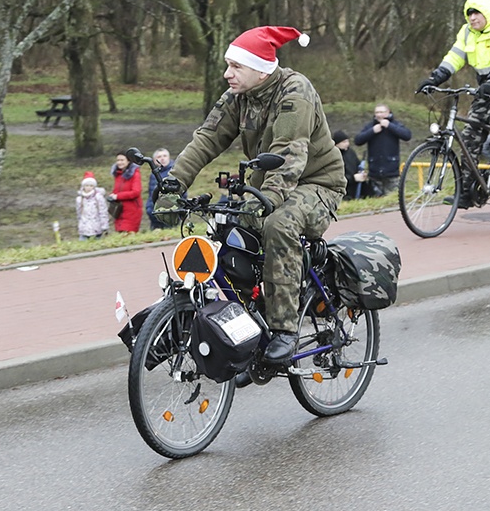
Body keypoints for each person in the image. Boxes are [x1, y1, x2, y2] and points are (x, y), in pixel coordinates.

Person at [153, 26, 346, 366]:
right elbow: (206, 140)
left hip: (318, 184)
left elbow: (289, 155)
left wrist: (264, 200)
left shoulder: (294, 92)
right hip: (268, 184)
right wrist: (173, 185)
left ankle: (284, 330)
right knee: (225, 233)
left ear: (261, 69)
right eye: (228, 65)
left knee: (277, 225)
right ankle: (243, 332)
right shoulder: (237, 97)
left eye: (236, 66)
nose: (227, 73)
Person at [416, 0, 490, 209]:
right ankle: (468, 192)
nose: (473, 18)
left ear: (487, 13)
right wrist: (434, 78)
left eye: (477, 13)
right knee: (470, 134)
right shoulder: (467, 32)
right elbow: (454, 57)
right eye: (469, 14)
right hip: (489, 87)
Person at [353, 104, 411, 196]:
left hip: (392, 171)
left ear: (388, 113)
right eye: (377, 112)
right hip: (374, 172)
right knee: (375, 200)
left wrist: (389, 126)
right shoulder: (370, 126)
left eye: (382, 112)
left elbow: (407, 135)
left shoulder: (395, 124)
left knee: (393, 199)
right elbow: (357, 140)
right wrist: (372, 131)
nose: (379, 115)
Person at [108, 150, 143, 232]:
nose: (119, 162)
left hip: (132, 211)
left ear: (128, 161)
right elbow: (116, 190)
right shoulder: (118, 174)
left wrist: (118, 196)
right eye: (118, 160)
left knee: (127, 233)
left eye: (122, 160)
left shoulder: (135, 174)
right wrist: (112, 195)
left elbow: (136, 192)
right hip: (119, 211)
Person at [145, 147, 175, 229]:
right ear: (154, 160)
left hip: (170, 214)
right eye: (159, 157)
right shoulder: (153, 174)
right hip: (154, 214)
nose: (162, 158)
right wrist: (149, 208)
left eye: (164, 156)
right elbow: (151, 194)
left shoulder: (174, 171)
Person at [75, 171, 109, 240]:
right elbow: (79, 213)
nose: (89, 188)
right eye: (87, 185)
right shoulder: (80, 199)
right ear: (83, 186)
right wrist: (80, 224)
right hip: (84, 227)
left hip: (97, 227)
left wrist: (104, 226)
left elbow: (103, 212)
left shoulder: (98, 197)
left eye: (91, 186)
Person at [332, 130, 364, 200]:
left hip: (355, 188)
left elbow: (358, 165)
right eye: (344, 142)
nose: (347, 144)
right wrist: (353, 178)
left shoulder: (351, 152)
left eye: (347, 141)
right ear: (337, 144)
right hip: (344, 191)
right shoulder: (333, 156)